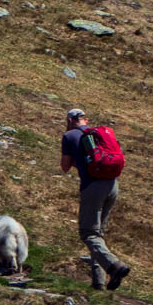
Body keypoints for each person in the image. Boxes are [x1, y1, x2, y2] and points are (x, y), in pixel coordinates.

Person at [60, 107, 131, 289]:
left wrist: (79, 162)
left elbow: (65, 167)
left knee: (88, 233)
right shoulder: (100, 134)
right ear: (86, 119)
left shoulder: (69, 137)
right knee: (98, 234)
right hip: (112, 185)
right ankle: (98, 282)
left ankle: (114, 266)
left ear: (69, 120)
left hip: (93, 187)